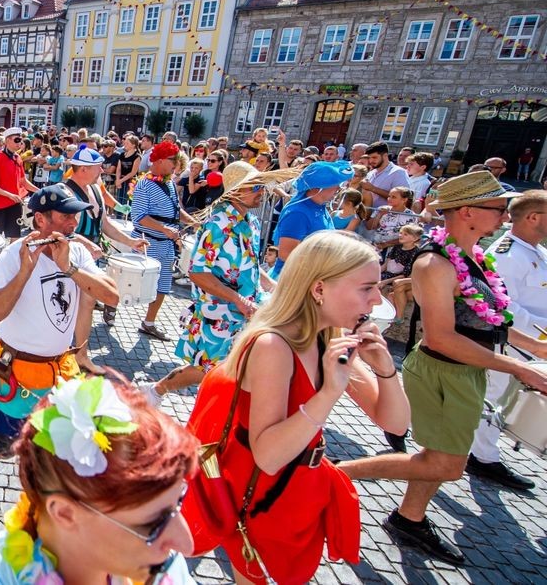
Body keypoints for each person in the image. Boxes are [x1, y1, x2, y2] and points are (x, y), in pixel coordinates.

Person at [337, 172, 547, 565]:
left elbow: (494, 319)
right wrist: (522, 369)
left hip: (467, 369)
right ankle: (333, 473)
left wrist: (534, 348)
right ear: (467, 211)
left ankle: (408, 518)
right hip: (444, 370)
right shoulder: (435, 262)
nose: (505, 216)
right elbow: (441, 338)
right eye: (498, 208)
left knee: (440, 456)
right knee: (447, 464)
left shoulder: (473, 256)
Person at [184, 231, 410, 584]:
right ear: (319, 289)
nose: (376, 300)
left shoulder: (330, 336)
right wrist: (328, 394)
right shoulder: (274, 345)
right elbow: (269, 456)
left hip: (297, 489)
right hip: (262, 494)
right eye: (367, 288)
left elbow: (396, 424)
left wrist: (384, 367)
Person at [0, 375, 199, 585]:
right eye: (154, 524)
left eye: (180, 499)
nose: (186, 545)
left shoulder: (165, 565)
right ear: (66, 513)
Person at [0, 183, 119, 489]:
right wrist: (24, 273)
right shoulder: (14, 255)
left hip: (61, 370)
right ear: (40, 220)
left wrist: (70, 269)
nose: (73, 222)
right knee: (6, 444)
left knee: (61, 442)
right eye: (65, 216)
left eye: (75, 215)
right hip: (20, 370)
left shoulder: (76, 251)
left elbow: (112, 296)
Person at [145, 162, 283, 405]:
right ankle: (156, 390)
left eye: (262, 186)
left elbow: (250, 264)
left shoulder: (250, 222)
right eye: (256, 187)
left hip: (246, 312)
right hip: (219, 313)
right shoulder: (218, 224)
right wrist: (237, 299)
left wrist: (274, 286)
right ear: (238, 190)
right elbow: (197, 272)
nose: (262, 192)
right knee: (204, 370)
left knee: (238, 369)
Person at [467, 190, 547, 491]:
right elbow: (505, 307)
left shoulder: (536, 251)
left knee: (500, 398)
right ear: (533, 217)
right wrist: (541, 336)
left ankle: (482, 452)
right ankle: (482, 457)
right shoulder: (507, 255)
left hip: (530, 343)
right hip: (515, 342)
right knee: (494, 397)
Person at [62, 145, 145, 366]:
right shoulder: (63, 191)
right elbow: (59, 231)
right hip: (68, 255)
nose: (103, 169)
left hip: (90, 255)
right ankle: (64, 352)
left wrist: (130, 242)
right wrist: (86, 243)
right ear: (82, 169)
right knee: (67, 304)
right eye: (98, 166)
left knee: (86, 303)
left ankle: (80, 355)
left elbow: (105, 224)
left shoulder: (96, 188)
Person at [130, 140, 194, 341]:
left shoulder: (168, 183)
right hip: (147, 243)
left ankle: (148, 324)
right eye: (172, 160)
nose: (176, 164)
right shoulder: (144, 185)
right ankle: (111, 305)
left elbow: (175, 211)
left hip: (165, 244)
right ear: (158, 160)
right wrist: (164, 229)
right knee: (132, 284)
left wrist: (194, 222)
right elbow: (138, 216)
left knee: (163, 286)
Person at [272, 161, 353, 273]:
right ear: (317, 188)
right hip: (295, 278)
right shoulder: (298, 213)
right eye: (334, 184)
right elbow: (286, 253)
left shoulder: (320, 206)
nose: (338, 189)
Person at [0, 127, 39, 241]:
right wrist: (9, 195)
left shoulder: (18, 157)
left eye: (21, 140)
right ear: (7, 140)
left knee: (15, 236)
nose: (20, 143)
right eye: (16, 140)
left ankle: (12, 259)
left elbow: (23, 181)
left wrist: (40, 191)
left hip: (15, 204)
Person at [360, 142, 410, 209]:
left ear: (385, 156)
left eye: (374, 157)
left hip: (385, 216)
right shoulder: (371, 173)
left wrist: (373, 188)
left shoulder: (398, 172)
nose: (371, 160)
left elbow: (403, 199)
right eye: (369, 158)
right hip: (367, 215)